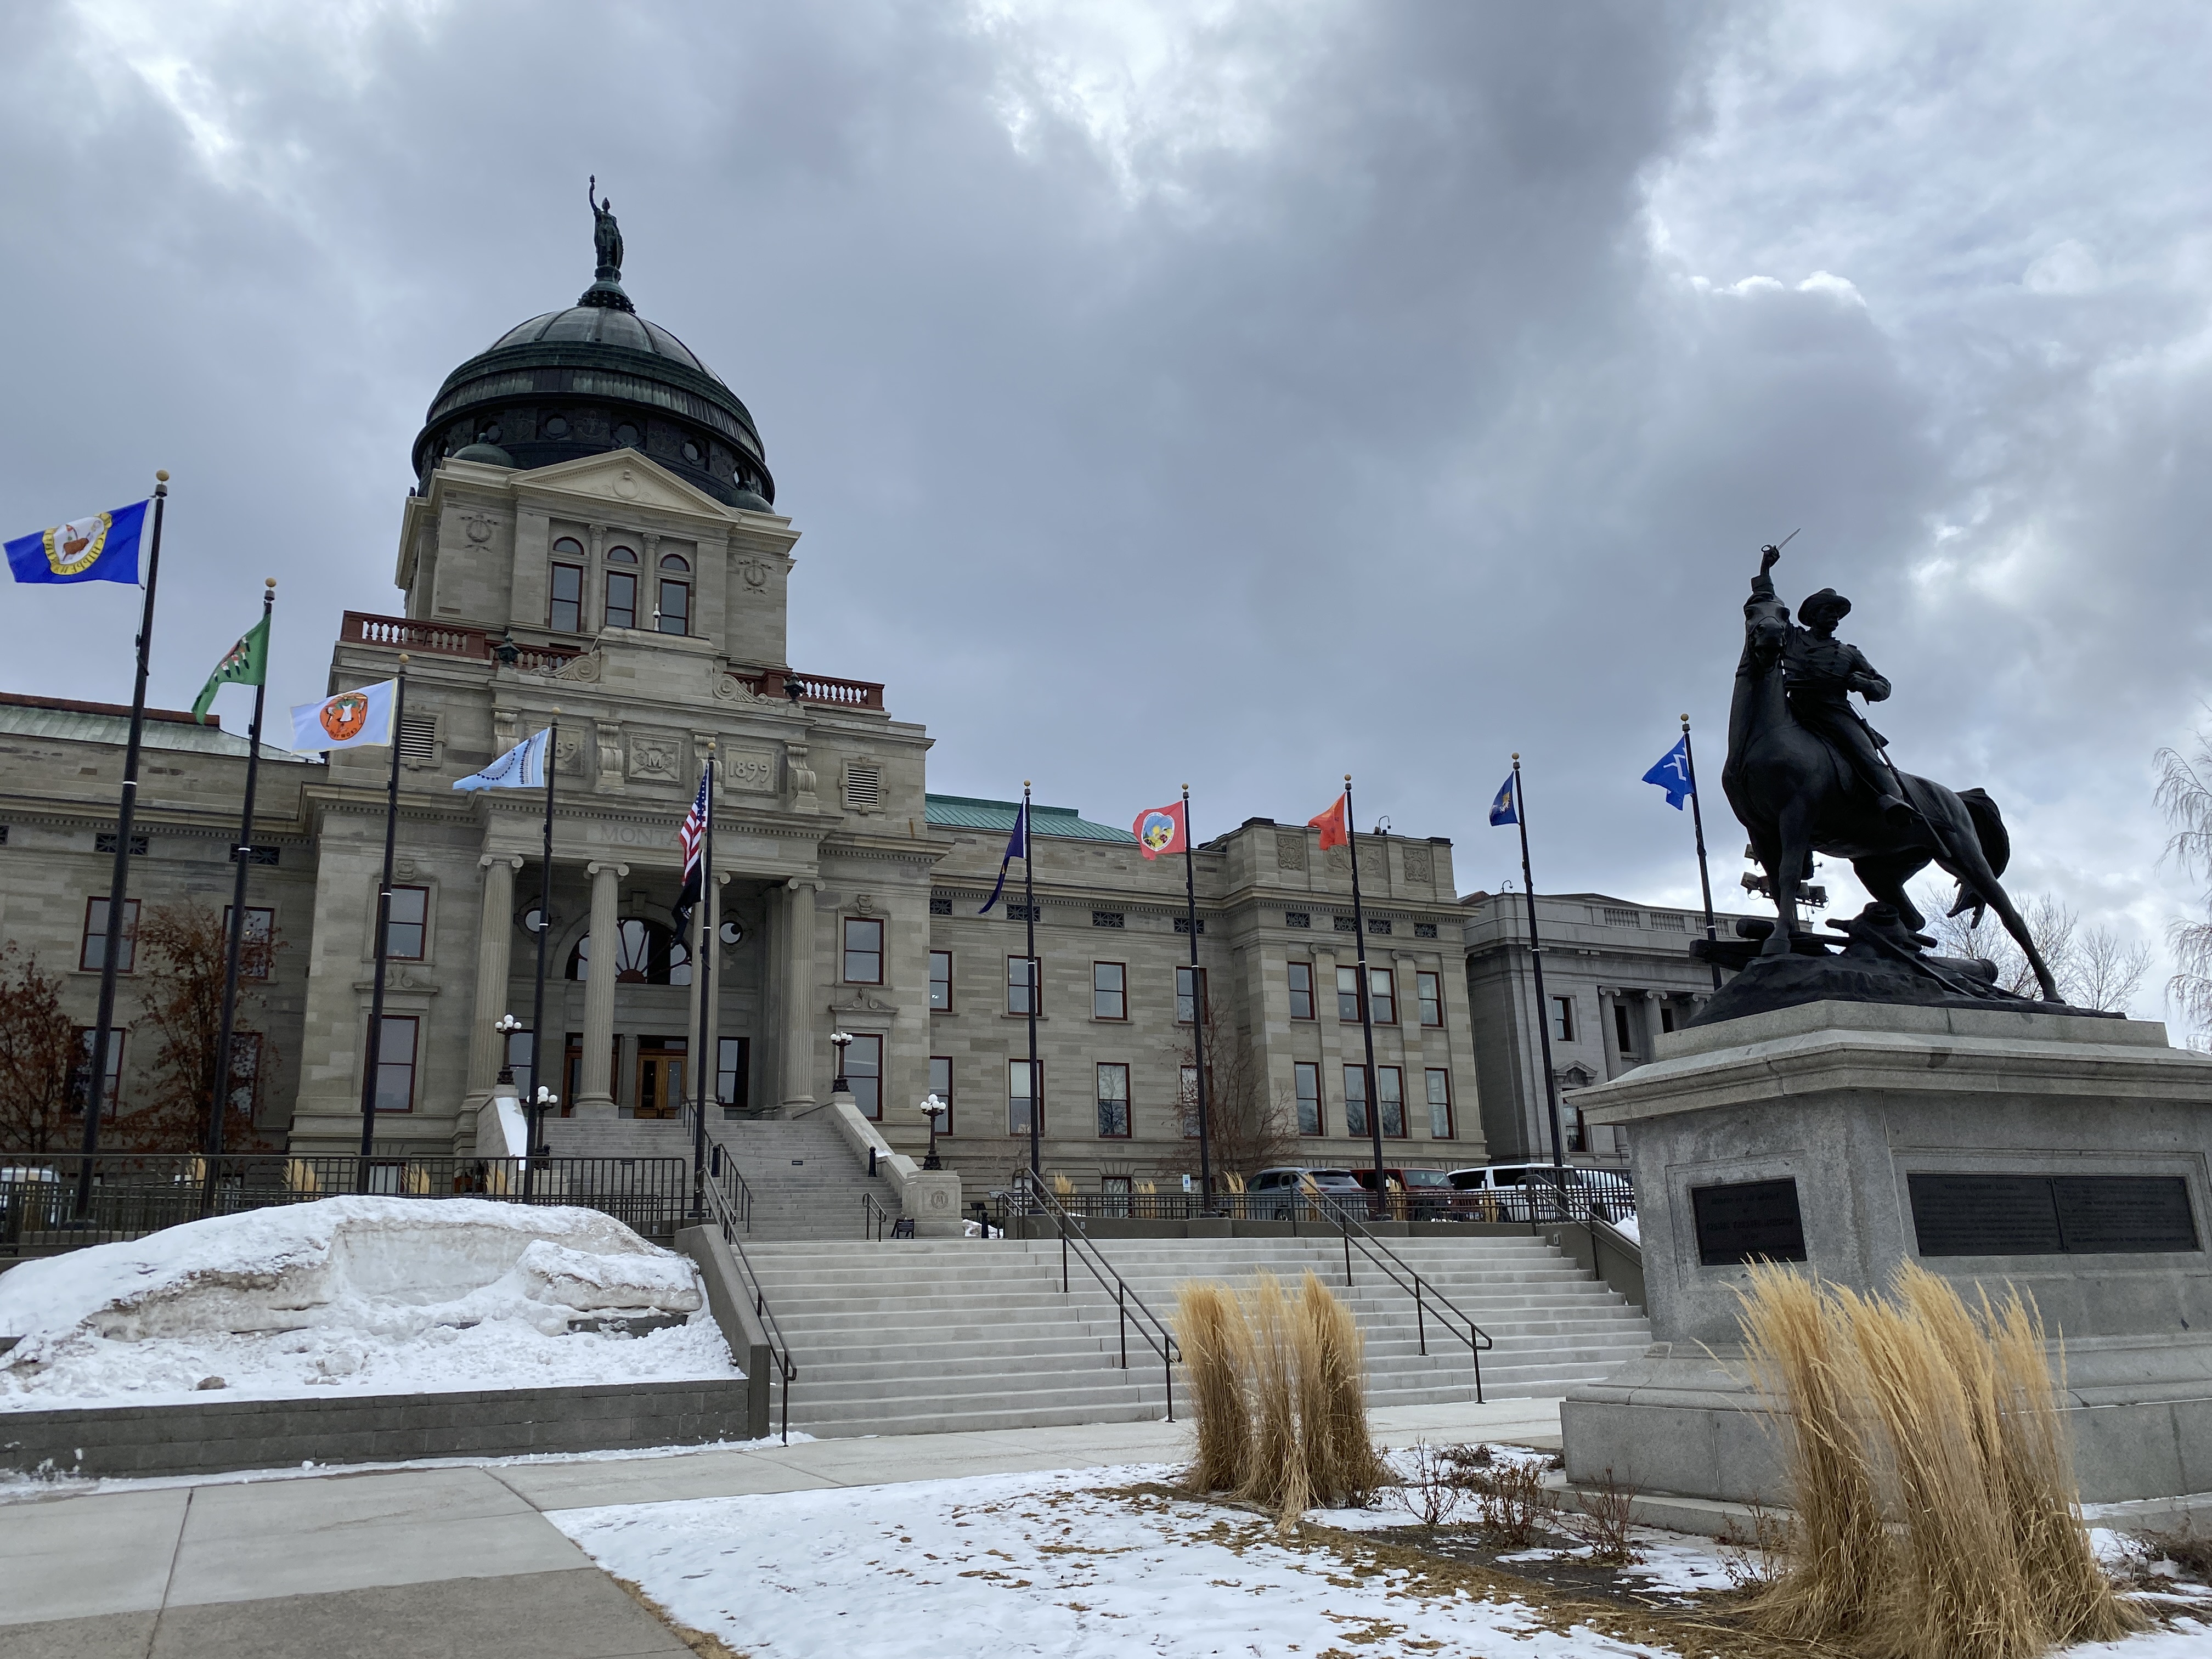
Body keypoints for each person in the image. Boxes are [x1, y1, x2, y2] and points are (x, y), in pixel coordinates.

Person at [1751, 543, 1911, 823]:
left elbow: (1883, 685)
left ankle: (1894, 801)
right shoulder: (1794, 637)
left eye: (1838, 612)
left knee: (1864, 753)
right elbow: (1767, 602)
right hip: (1794, 709)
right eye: (1829, 610)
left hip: (1834, 711)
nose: (1835, 616)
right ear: (1813, 615)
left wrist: (1863, 683)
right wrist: (1765, 569)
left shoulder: (1850, 652)